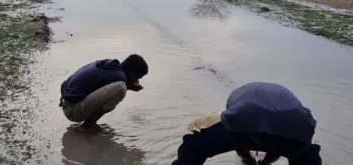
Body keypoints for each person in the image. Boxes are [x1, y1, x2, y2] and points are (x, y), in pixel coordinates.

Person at [172, 82, 322, 165]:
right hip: (292, 130)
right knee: (306, 155)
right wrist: (266, 162)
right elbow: (280, 139)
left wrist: (248, 159)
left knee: (195, 146)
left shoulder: (238, 104)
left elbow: (236, 132)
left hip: (247, 120)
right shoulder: (288, 108)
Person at [59, 54, 148, 131]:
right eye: (138, 77)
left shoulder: (109, 66)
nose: (137, 80)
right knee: (121, 88)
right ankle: (88, 125)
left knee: (122, 87)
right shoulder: (120, 77)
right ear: (131, 72)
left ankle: (88, 124)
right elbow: (117, 90)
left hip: (66, 102)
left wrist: (128, 85)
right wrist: (127, 86)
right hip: (73, 111)